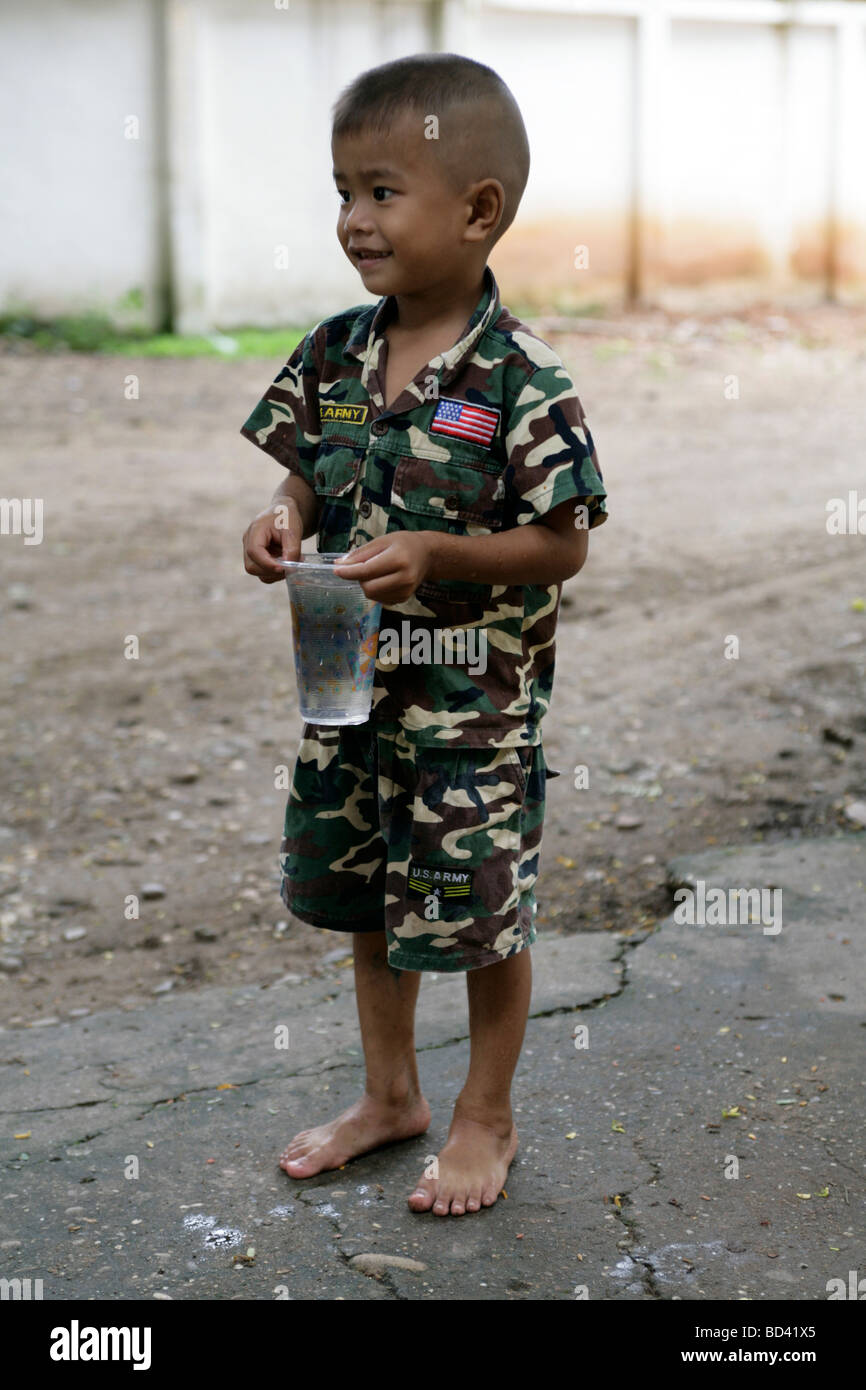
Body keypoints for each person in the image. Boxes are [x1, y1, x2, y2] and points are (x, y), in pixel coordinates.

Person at [240, 52, 607, 1217]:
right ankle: (388, 1096)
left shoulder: (520, 383)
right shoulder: (336, 354)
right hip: (346, 690)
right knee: (369, 899)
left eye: (381, 191)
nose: (353, 220)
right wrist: (281, 517)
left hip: (471, 715)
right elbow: (305, 473)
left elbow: (562, 545)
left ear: (478, 209)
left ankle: (483, 1116)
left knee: (480, 912)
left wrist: (441, 555)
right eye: (342, 190)